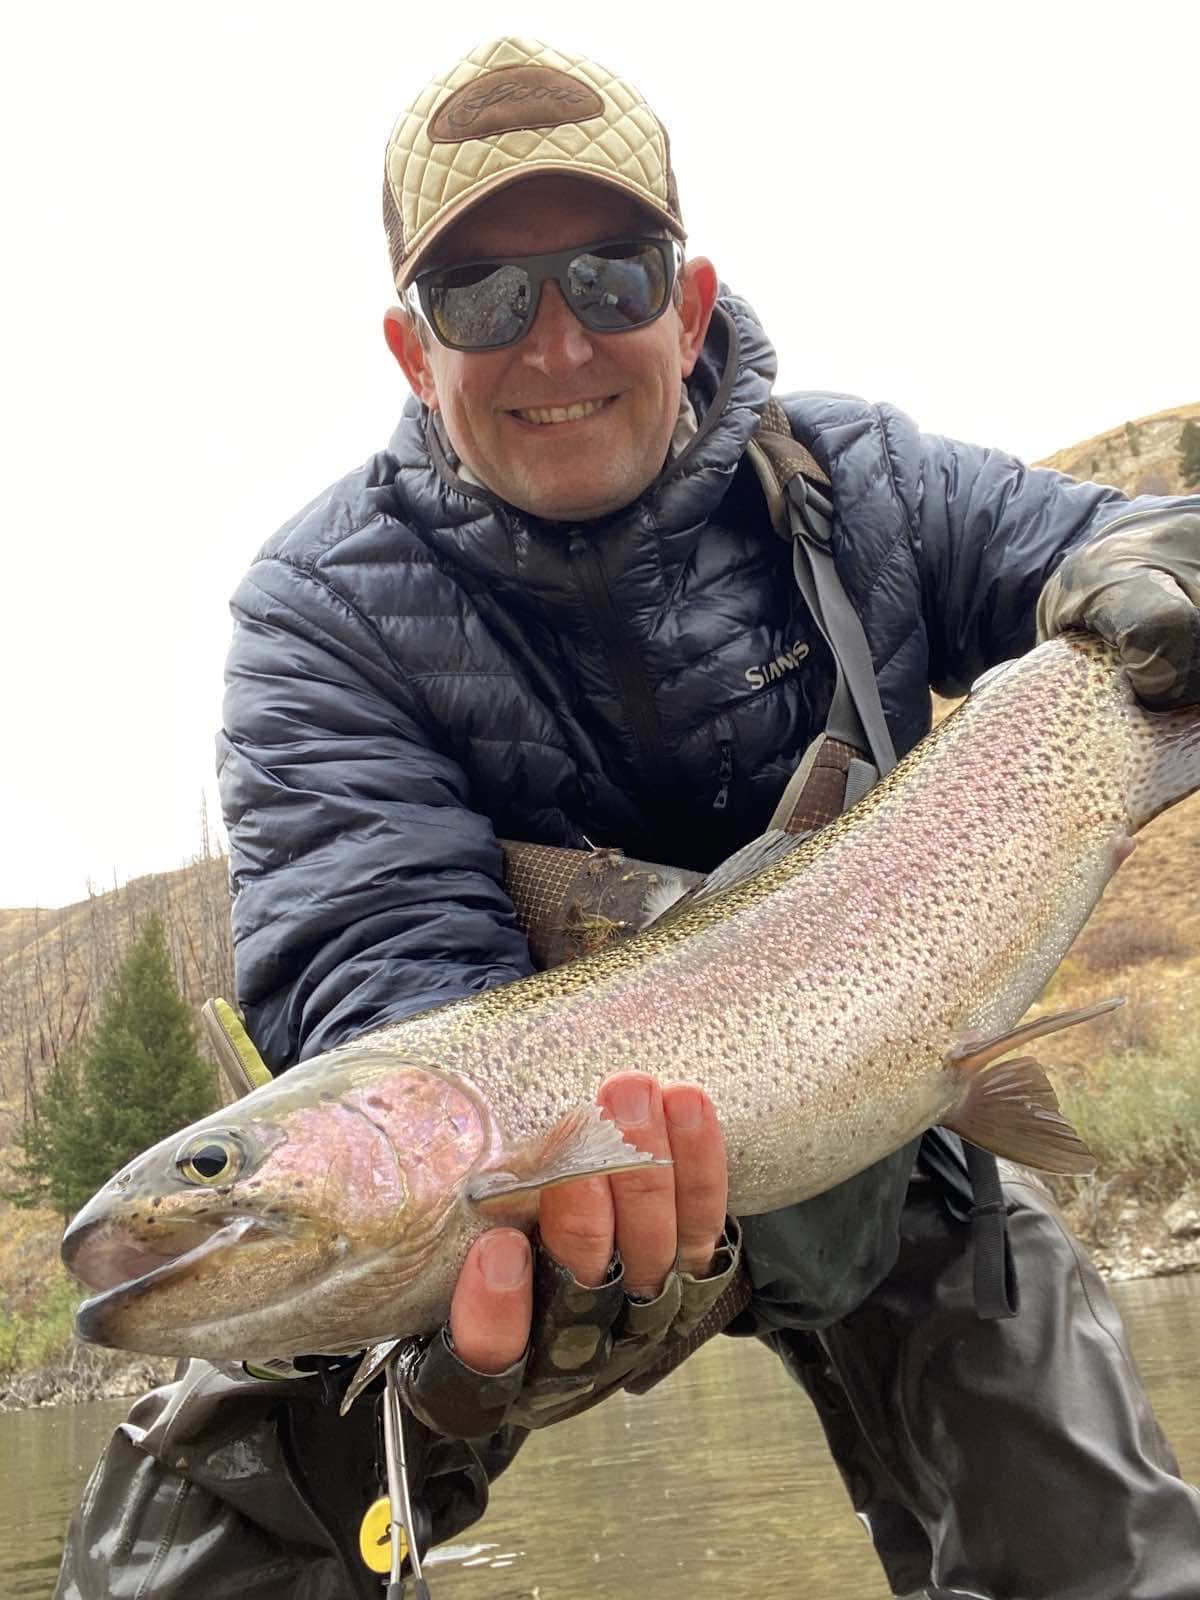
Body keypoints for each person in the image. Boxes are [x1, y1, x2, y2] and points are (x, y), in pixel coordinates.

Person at [57, 36, 1200, 1600]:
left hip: (890, 1126)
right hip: (507, 1227)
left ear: (692, 298)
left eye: (610, 276)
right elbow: (385, 981)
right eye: (483, 299)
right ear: (412, 349)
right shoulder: (322, 614)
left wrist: (1162, 587)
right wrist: (493, 1252)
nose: (554, 343)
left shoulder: (865, 480)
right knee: (193, 1548)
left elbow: (1134, 546)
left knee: (1102, 1558)